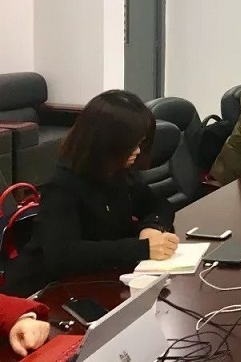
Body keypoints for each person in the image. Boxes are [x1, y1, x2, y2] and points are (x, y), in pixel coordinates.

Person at [4, 91, 178, 298]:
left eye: (140, 143)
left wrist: (152, 227)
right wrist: (142, 248)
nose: (138, 151)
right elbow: (64, 255)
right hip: (44, 290)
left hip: (98, 279)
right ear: (106, 143)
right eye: (131, 145)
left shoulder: (118, 172)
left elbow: (160, 205)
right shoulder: (62, 186)